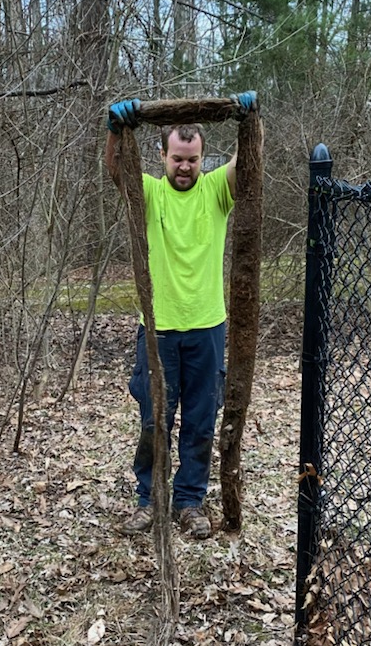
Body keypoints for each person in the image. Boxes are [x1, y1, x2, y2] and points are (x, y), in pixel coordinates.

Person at [104, 93, 257, 539]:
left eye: (192, 160)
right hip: (158, 330)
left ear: (202, 158)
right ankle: (150, 499)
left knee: (200, 418)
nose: (185, 167)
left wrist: (249, 121)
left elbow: (247, 162)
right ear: (162, 156)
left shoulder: (215, 190)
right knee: (155, 419)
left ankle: (190, 501)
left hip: (207, 327)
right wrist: (115, 131)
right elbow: (115, 171)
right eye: (177, 159)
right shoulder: (150, 192)